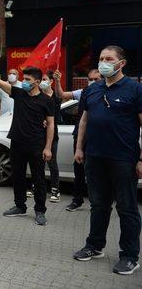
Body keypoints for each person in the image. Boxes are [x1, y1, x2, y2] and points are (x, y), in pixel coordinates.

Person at [73, 46, 142, 276]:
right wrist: (79, 148)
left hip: (123, 158)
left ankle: (130, 256)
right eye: (101, 58)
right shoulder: (92, 90)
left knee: (127, 208)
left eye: (109, 59)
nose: (104, 62)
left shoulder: (135, 89)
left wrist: (141, 158)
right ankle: (94, 246)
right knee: (98, 205)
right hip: (95, 157)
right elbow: (84, 120)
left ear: (121, 63)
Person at [0, 56, 54, 226]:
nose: (23, 82)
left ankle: (40, 211)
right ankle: (20, 206)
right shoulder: (18, 93)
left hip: (36, 145)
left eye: (27, 79)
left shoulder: (46, 101)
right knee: (18, 177)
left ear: (37, 81)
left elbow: (50, 124)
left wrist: (48, 148)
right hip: (17, 143)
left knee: (38, 179)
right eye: (23, 78)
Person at [53, 68, 101, 211]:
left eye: (96, 79)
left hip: (100, 138)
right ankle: (77, 200)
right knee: (79, 170)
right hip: (81, 137)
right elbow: (61, 94)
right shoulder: (84, 92)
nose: (92, 82)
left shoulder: (108, 93)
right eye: (90, 79)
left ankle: (97, 203)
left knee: (98, 172)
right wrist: (57, 81)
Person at [40, 71, 61, 203]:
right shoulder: (38, 96)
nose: (42, 81)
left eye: (44, 79)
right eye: (41, 79)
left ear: (50, 81)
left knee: (52, 163)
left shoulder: (56, 97)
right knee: (38, 163)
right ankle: (37, 187)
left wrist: (48, 121)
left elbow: (56, 116)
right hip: (38, 134)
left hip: (52, 135)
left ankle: (55, 190)